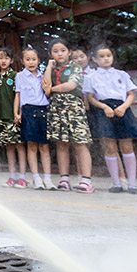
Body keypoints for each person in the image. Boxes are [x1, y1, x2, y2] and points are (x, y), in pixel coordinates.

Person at [83, 44, 137, 194]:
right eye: (101, 57)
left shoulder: (122, 74)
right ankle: (116, 183)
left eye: (108, 56)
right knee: (110, 147)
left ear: (112, 57)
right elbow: (90, 97)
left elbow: (131, 94)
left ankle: (132, 185)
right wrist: (104, 107)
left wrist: (123, 107)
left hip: (122, 109)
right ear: (94, 59)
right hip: (104, 110)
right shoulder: (91, 77)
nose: (105, 59)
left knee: (127, 146)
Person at [43, 38, 94, 193]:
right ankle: (64, 178)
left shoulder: (75, 68)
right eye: (55, 51)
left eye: (63, 50)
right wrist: (48, 66)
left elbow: (70, 86)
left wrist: (52, 89)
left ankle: (86, 180)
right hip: (56, 111)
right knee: (61, 144)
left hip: (74, 111)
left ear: (69, 52)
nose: (60, 54)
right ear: (50, 54)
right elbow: (44, 86)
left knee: (80, 143)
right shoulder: (51, 69)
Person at [14, 46, 49, 189]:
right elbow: (18, 95)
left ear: (39, 60)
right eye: (27, 59)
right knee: (32, 145)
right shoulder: (20, 76)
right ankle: (36, 177)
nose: (31, 62)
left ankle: (47, 178)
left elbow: (47, 93)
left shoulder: (42, 76)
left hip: (43, 111)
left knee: (45, 146)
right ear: (23, 61)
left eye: (34, 59)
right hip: (28, 111)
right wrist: (16, 113)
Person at [0, 47, 26, 187]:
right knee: (8, 146)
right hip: (2, 117)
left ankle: (23, 176)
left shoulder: (15, 75)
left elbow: (20, 96)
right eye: (1, 58)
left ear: (12, 60)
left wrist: (18, 114)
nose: (3, 61)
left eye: (6, 58)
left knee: (19, 146)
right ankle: (12, 175)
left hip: (14, 117)